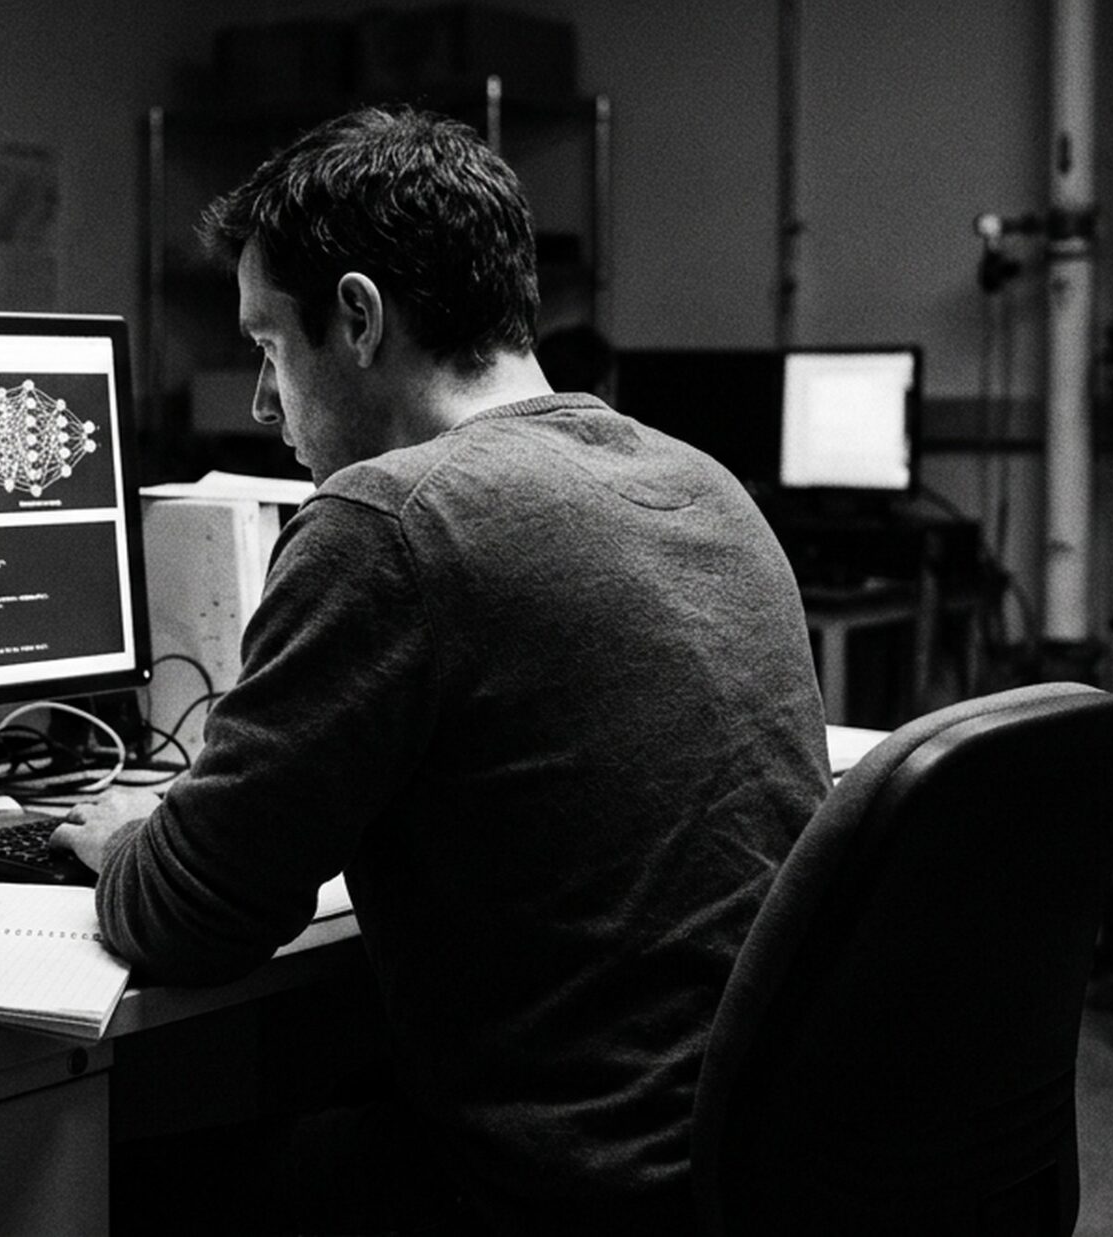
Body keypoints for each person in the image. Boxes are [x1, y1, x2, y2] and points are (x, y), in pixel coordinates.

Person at [55, 105, 829, 1234]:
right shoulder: (699, 481)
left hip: (566, 1187)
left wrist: (121, 840)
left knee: (91, 1193)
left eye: (269, 345)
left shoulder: (387, 520)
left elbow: (192, 916)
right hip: (755, 1164)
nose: (262, 401)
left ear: (358, 317)